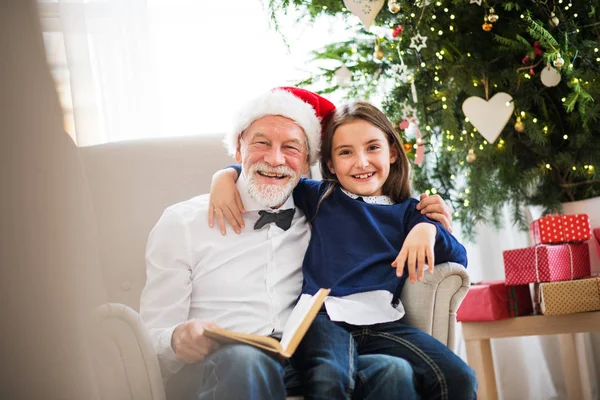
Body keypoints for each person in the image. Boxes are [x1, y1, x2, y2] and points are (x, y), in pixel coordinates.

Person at [140, 87, 453, 400]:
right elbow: (150, 336)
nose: (275, 159)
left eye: (290, 148)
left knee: (391, 369)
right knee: (247, 360)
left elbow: (381, 215)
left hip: (302, 359)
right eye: (261, 143)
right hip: (222, 365)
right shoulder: (183, 222)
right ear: (238, 149)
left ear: (307, 163)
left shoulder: (320, 213)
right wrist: (176, 338)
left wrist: (427, 222)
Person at [210, 100, 477, 400]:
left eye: (372, 148)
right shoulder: (321, 196)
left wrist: (429, 229)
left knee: (459, 377)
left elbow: (458, 259)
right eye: (346, 152)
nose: (361, 162)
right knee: (331, 378)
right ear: (331, 165)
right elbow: (268, 172)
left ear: (392, 151)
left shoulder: (410, 213)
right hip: (324, 317)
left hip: (383, 323)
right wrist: (223, 177)